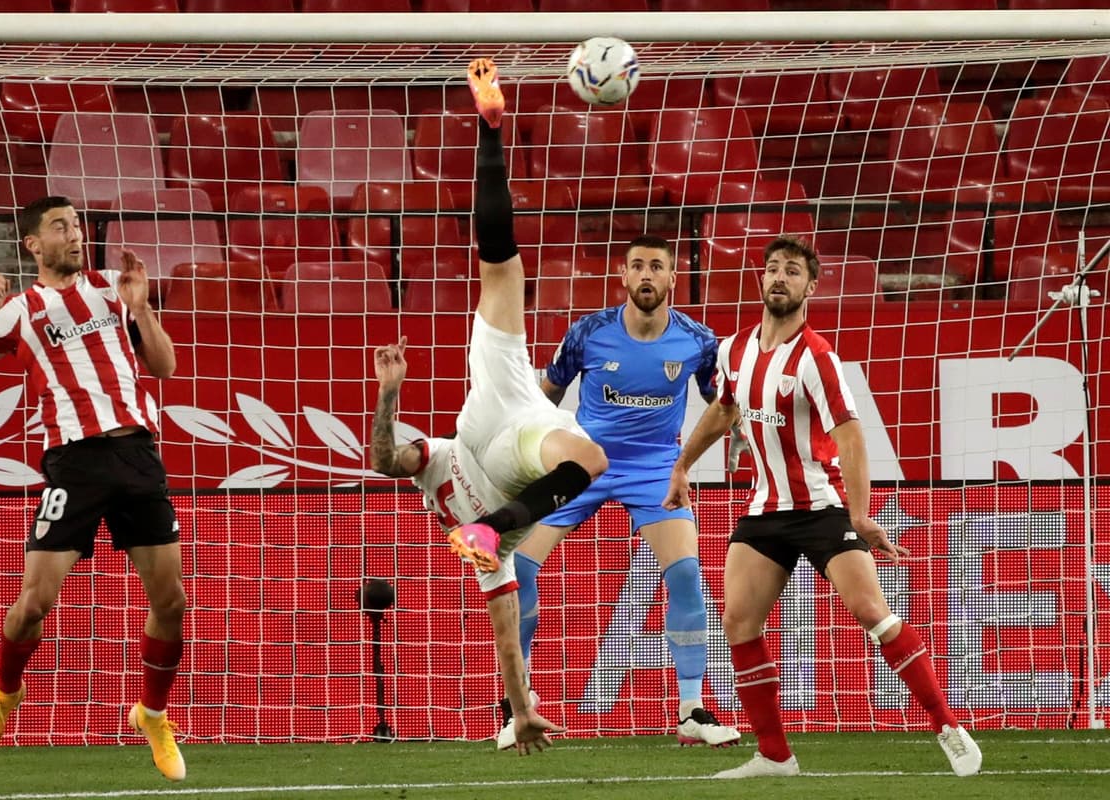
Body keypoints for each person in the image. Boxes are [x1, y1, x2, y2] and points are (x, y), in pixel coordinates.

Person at [664, 235, 983, 779]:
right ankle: (774, 755)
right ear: (760, 280)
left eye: (792, 271)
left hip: (822, 508)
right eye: (772, 270)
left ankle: (948, 726)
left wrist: (859, 515)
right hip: (765, 510)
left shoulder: (818, 357)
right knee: (738, 620)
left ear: (811, 287)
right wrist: (683, 465)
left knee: (870, 612)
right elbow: (724, 409)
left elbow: (853, 437)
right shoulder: (734, 350)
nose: (779, 278)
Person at [369, 57, 608, 755]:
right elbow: (506, 640)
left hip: (489, 413)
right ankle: (490, 128)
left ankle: (491, 125)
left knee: (500, 264)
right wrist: (521, 705)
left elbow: (385, 457)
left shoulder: (431, 472)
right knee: (589, 456)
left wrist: (389, 395)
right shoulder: (480, 549)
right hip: (513, 456)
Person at [0, 196, 188, 782]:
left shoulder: (112, 288)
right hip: (72, 464)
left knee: (172, 602)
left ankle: (152, 714)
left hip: (136, 454)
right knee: (34, 605)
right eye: (61, 227)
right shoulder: (21, 309)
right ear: (33, 244)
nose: (75, 235)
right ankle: (6, 694)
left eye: (77, 225)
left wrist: (142, 307)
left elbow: (166, 366)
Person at [495, 235, 741, 751]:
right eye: (637, 266)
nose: (647, 274)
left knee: (688, 575)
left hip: (654, 468)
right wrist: (529, 459)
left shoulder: (699, 341)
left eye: (657, 266)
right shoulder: (587, 333)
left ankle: (692, 710)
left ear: (673, 278)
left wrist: (706, 455)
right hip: (585, 463)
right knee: (518, 567)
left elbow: (724, 406)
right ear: (623, 277)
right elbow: (547, 399)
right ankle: (518, 708)